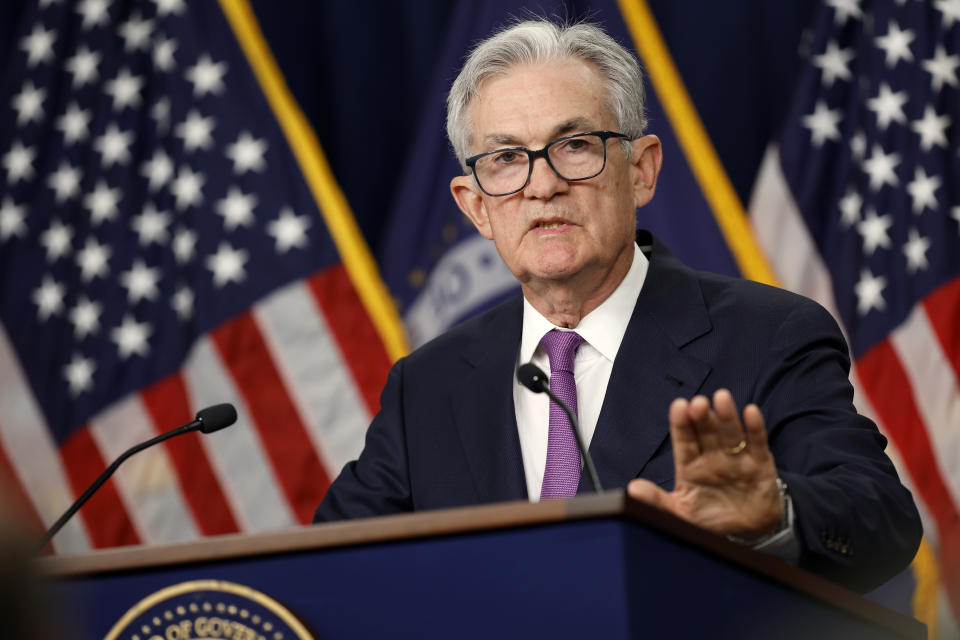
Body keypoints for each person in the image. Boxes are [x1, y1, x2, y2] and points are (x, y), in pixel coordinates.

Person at [314, 18, 921, 593]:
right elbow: (324, 568)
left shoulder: (770, 335)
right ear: (475, 207)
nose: (541, 183)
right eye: (505, 159)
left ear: (642, 172)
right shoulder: (427, 385)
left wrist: (772, 513)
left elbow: (881, 517)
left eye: (575, 145)